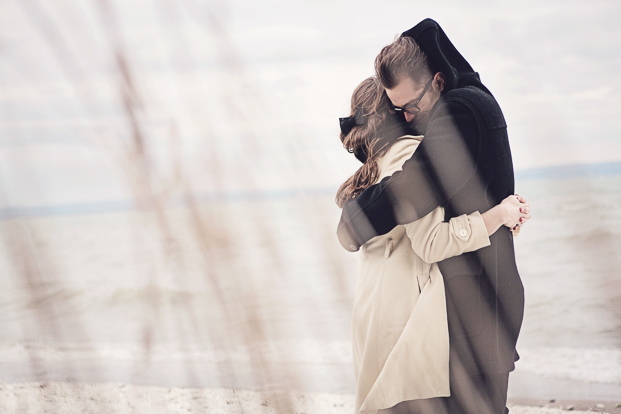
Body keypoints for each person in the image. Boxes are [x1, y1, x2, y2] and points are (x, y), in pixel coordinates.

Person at [336, 19, 526, 414]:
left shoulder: (461, 110)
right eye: (397, 110)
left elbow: (410, 191)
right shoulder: (452, 114)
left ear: (438, 81)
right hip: (470, 299)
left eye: (409, 106)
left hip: (480, 299)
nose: (406, 117)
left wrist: (352, 222)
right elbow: (421, 209)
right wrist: (500, 213)